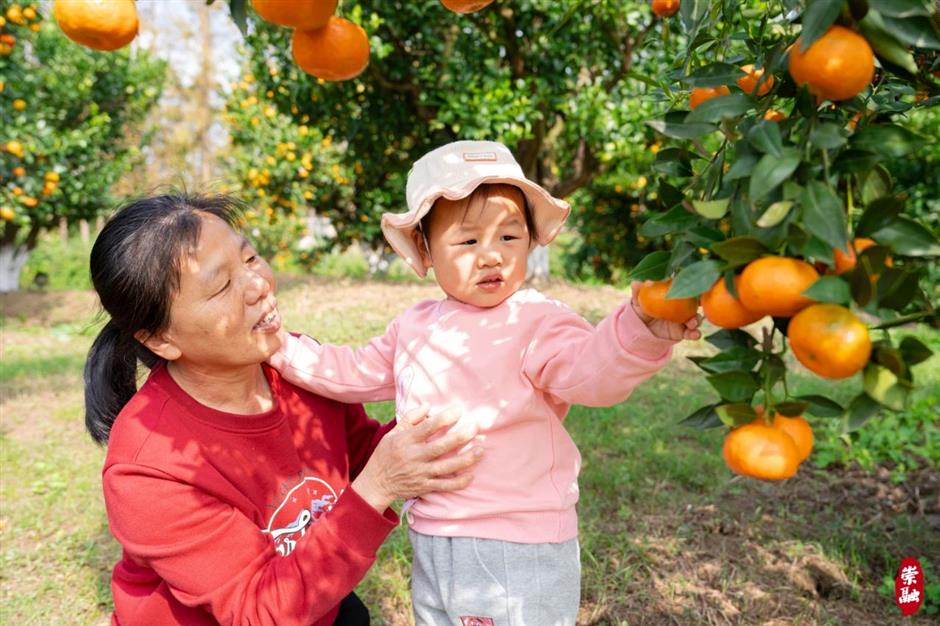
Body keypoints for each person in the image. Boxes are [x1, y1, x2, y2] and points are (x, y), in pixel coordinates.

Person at [267, 140, 702, 625]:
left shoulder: (538, 320)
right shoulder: (414, 325)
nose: (491, 256)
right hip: (434, 535)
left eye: (509, 239)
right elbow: (349, 370)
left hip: (517, 542)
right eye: (469, 242)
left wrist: (639, 331)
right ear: (427, 251)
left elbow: (590, 374)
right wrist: (280, 349)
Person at [82, 192, 483, 626]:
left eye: (251, 258)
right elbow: (260, 611)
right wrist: (379, 484)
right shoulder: (147, 470)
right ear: (160, 339)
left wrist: (464, 408)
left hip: (316, 600)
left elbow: (362, 451)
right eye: (221, 286)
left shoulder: (298, 370)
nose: (259, 286)